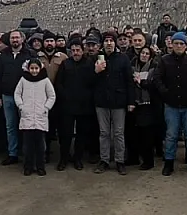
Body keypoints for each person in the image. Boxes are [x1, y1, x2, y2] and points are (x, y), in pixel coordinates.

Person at [151, 32, 187, 177]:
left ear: (186, 45)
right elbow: (157, 78)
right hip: (171, 104)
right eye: (176, 43)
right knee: (171, 135)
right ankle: (169, 163)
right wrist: (165, 92)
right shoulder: (164, 60)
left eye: (181, 43)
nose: (178, 46)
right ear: (172, 45)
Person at [93, 31, 134, 175]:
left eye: (111, 41)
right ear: (102, 43)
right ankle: (104, 160)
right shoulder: (97, 58)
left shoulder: (123, 58)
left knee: (118, 133)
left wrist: (131, 101)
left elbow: (129, 81)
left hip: (119, 101)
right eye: (106, 41)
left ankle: (119, 160)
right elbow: (89, 81)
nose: (109, 43)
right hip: (102, 101)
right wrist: (96, 71)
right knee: (104, 132)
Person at [53, 41, 96, 171]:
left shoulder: (89, 64)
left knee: (81, 134)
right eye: (73, 50)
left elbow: (94, 82)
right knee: (66, 134)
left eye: (78, 50)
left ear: (83, 51)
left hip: (84, 106)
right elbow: (58, 83)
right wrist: (65, 96)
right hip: (67, 106)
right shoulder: (65, 64)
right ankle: (64, 159)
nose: (75, 53)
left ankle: (78, 158)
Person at [0, 30, 30, 166]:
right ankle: (12, 153)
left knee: (25, 126)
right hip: (7, 95)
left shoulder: (29, 54)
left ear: (22, 39)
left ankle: (26, 154)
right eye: (12, 38)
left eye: (17, 37)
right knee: (10, 126)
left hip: (24, 97)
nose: (15, 40)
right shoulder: (3, 55)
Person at [14, 57, 55, 177]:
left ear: (40, 68)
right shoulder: (23, 80)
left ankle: (40, 166)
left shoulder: (45, 80)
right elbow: (17, 94)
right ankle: (28, 167)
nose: (34, 71)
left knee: (40, 145)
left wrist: (46, 108)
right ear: (28, 68)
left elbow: (52, 96)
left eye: (36, 68)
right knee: (27, 146)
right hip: (27, 117)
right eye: (32, 68)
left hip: (40, 117)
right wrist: (21, 106)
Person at [128, 45, 158, 170]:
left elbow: (155, 85)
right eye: (142, 53)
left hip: (148, 104)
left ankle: (148, 161)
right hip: (134, 103)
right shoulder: (132, 66)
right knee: (133, 133)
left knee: (147, 135)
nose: (144, 55)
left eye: (147, 53)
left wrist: (142, 82)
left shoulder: (154, 68)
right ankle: (133, 158)